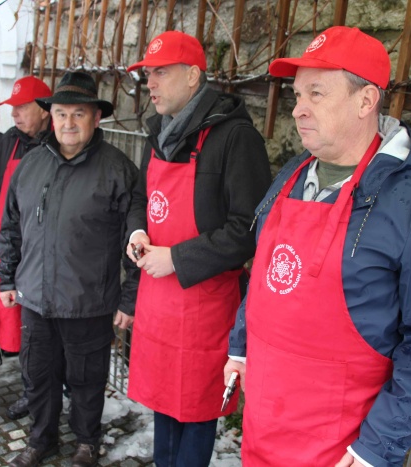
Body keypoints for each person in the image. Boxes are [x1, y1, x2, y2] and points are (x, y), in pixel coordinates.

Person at [224, 26, 411, 466]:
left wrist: (379, 444)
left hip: (343, 444)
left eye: (316, 94)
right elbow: (264, 273)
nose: (298, 110)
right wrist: (240, 345)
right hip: (265, 420)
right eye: (297, 95)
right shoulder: (293, 174)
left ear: (366, 100)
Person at [124, 31, 272, 467]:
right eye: (148, 74)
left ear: (192, 76)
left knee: (196, 411)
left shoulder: (234, 138)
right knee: (164, 406)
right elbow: (141, 197)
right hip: (158, 302)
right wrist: (136, 232)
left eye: (160, 72)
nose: (150, 83)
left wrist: (176, 258)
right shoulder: (160, 133)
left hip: (203, 305)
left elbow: (249, 228)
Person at [0, 71, 139, 467]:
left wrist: (128, 299)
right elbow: (11, 225)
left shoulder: (119, 170)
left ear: (96, 118)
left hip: (88, 302)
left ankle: (86, 443)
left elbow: (137, 242)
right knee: (38, 376)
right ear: (51, 117)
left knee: (86, 381)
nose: (69, 123)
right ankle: (41, 439)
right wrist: (7, 277)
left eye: (79, 114)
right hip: (35, 299)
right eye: (61, 114)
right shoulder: (30, 166)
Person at [0, 75, 53, 421]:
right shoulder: (8, 142)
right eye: (13, 108)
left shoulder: (58, 142)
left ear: (43, 110)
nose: (15, 115)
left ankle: (50, 388)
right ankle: (30, 390)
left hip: (43, 249)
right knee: (18, 328)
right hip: (9, 246)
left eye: (22, 108)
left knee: (44, 328)